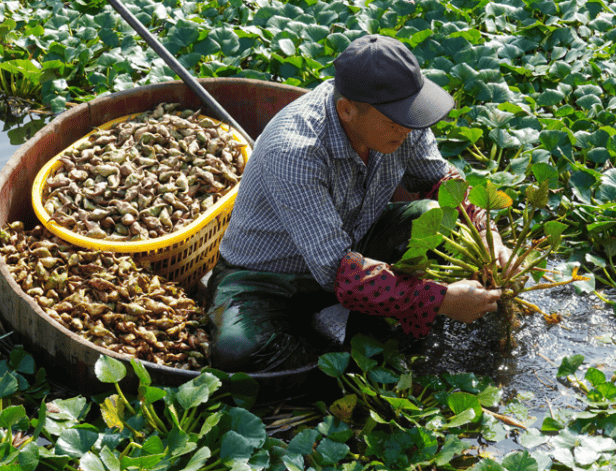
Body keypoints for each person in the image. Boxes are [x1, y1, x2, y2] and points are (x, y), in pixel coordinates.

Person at [207, 34, 508, 372]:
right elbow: (338, 271)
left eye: (412, 117)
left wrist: (488, 235)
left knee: (437, 216)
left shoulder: (402, 118)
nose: (408, 130)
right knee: (239, 352)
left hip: (355, 244)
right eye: (395, 123)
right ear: (346, 110)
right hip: (267, 279)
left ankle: (353, 324)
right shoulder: (294, 150)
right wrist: (440, 300)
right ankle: (337, 357)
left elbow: (439, 183)